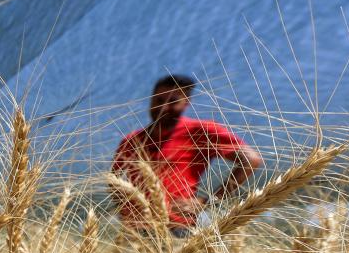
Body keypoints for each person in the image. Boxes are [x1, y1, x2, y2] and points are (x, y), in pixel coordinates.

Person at [111, 75, 263, 237]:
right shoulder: (131, 140)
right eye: (159, 100)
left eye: (173, 102)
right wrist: (127, 212)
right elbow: (113, 180)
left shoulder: (200, 132)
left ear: (187, 102)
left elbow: (251, 160)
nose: (163, 107)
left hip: (179, 227)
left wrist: (206, 202)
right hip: (136, 230)